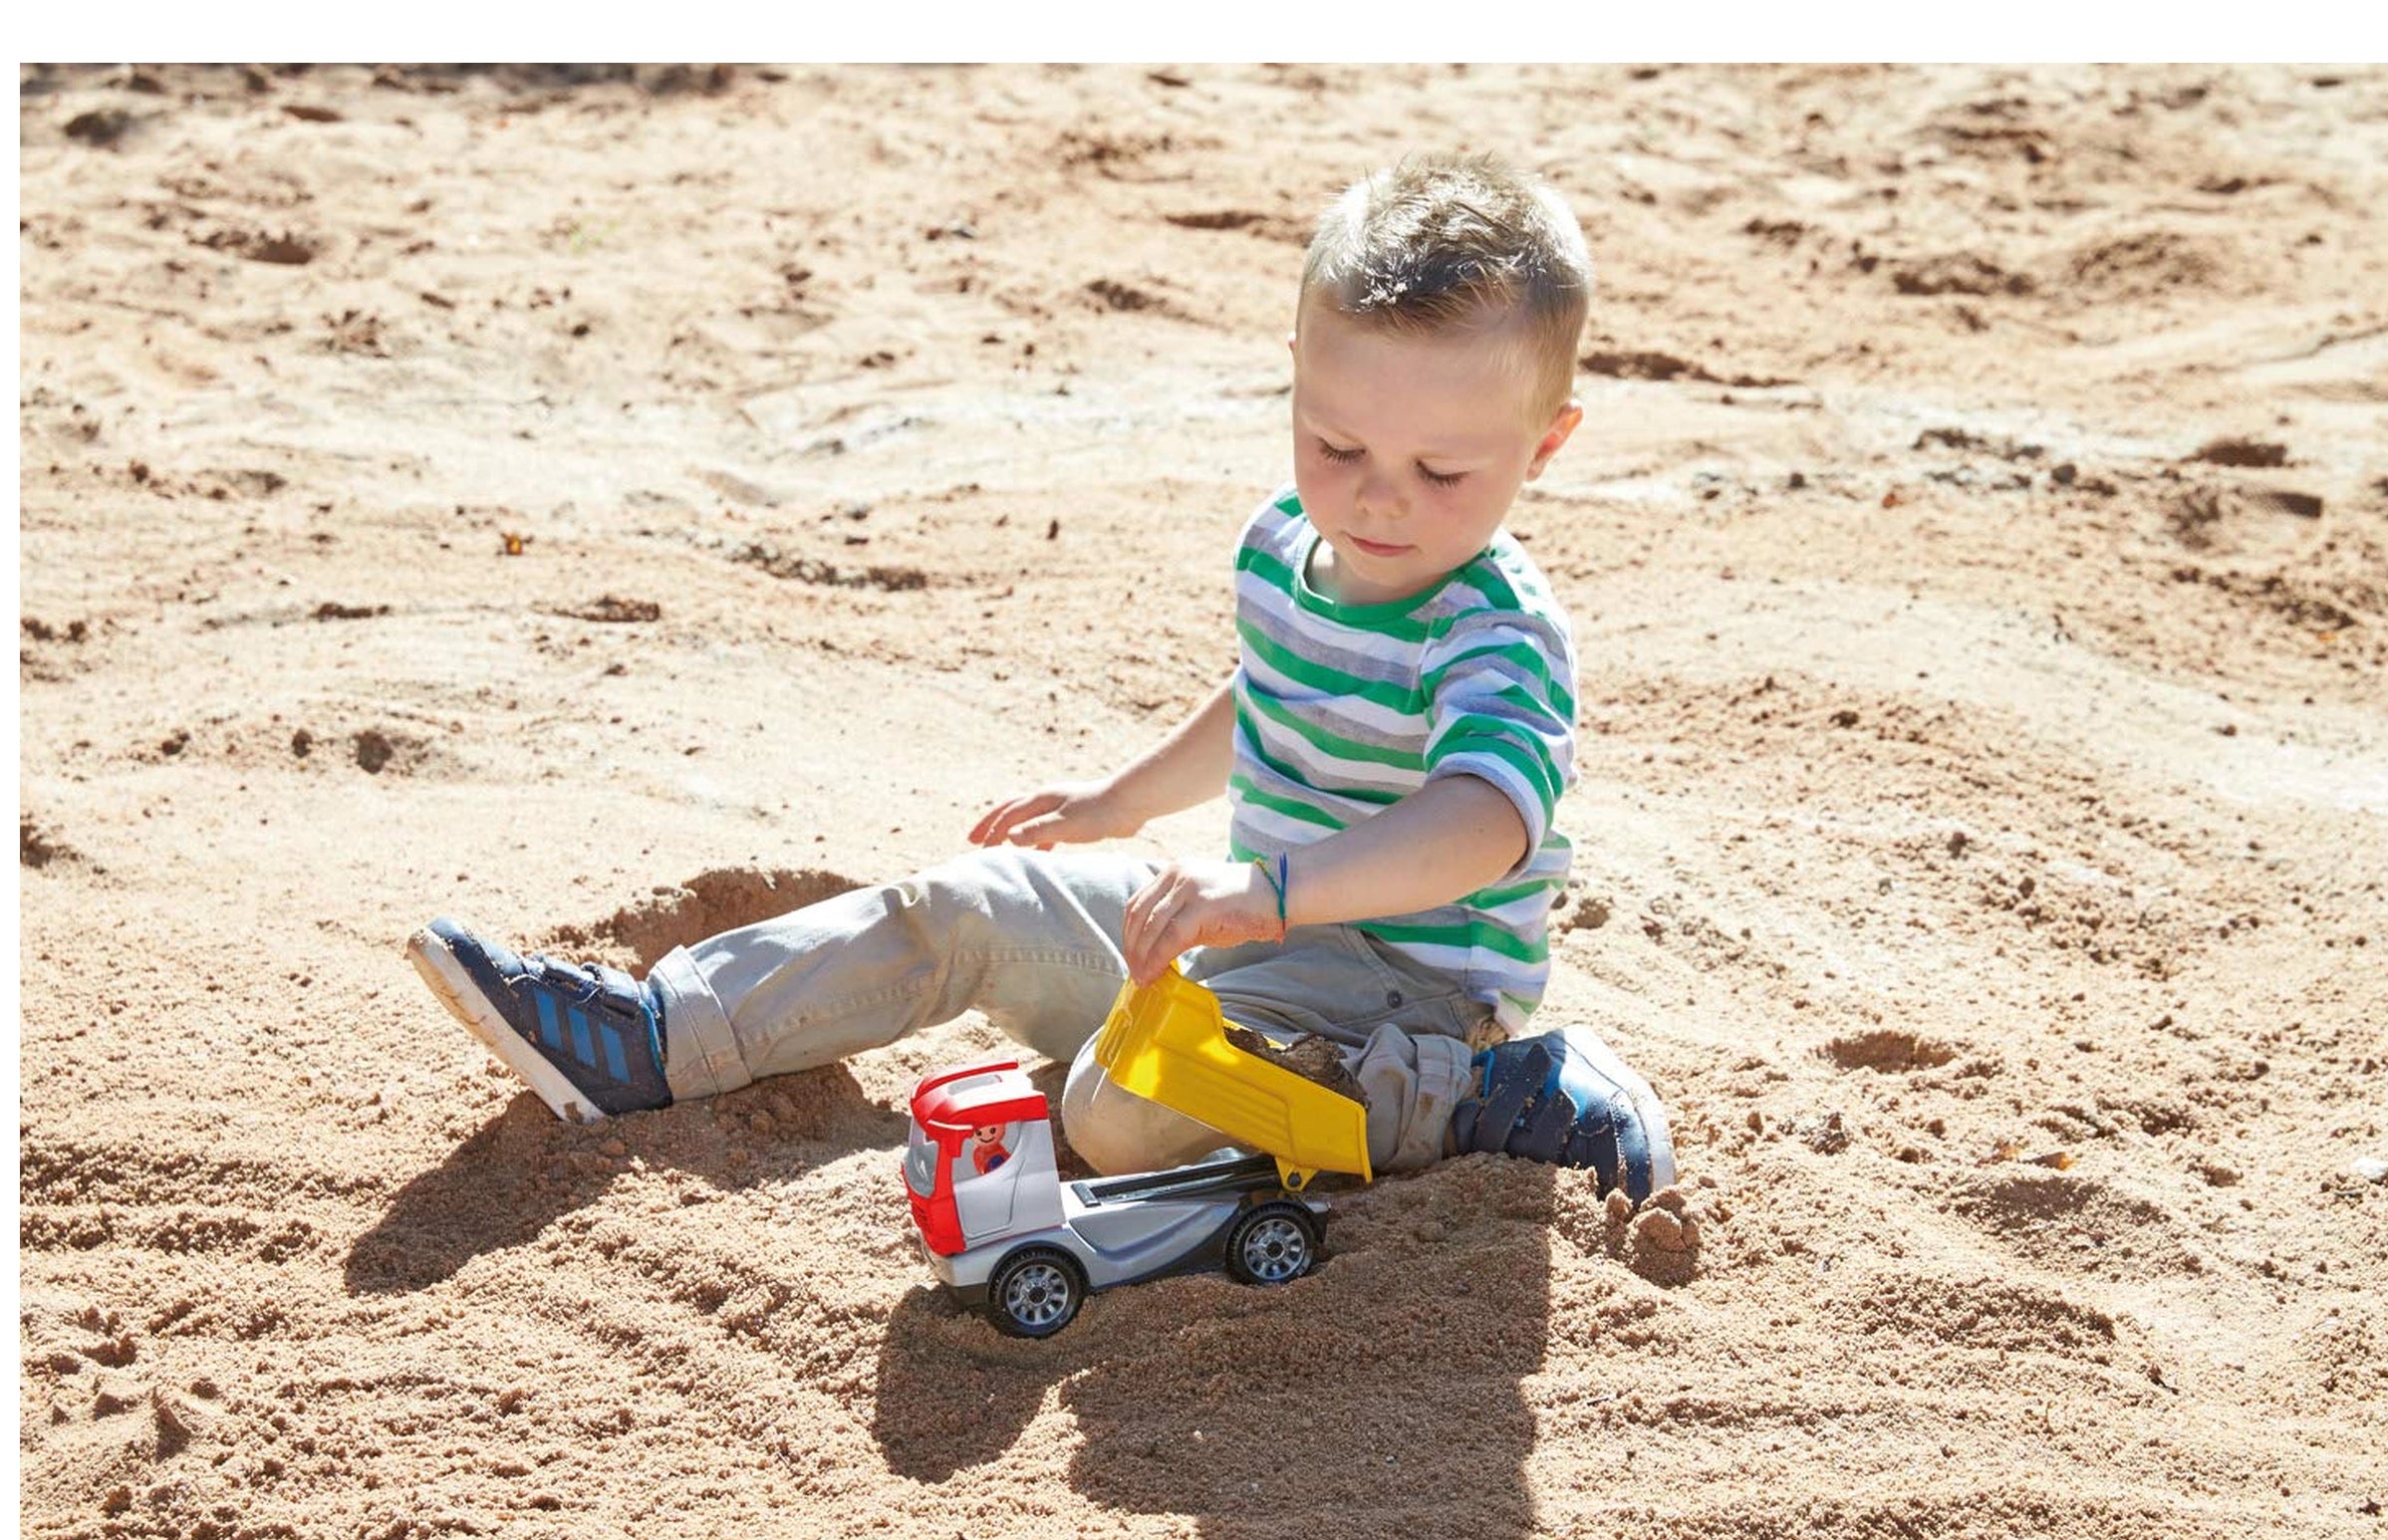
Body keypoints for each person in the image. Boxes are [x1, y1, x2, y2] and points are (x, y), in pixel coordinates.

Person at [409, 150, 1675, 1201]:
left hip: (1407, 993)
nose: (1376, 498)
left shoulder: (1495, 630)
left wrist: (1273, 889)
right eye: (1335, 442)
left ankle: (1474, 1101)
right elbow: (1272, 698)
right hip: (1253, 932)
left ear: (1544, 444)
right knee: (972, 903)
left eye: (1439, 472)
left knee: (1112, 1109)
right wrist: (1120, 803)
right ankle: (663, 1033)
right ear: (1296, 368)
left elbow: (1479, 823)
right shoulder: (1287, 543)